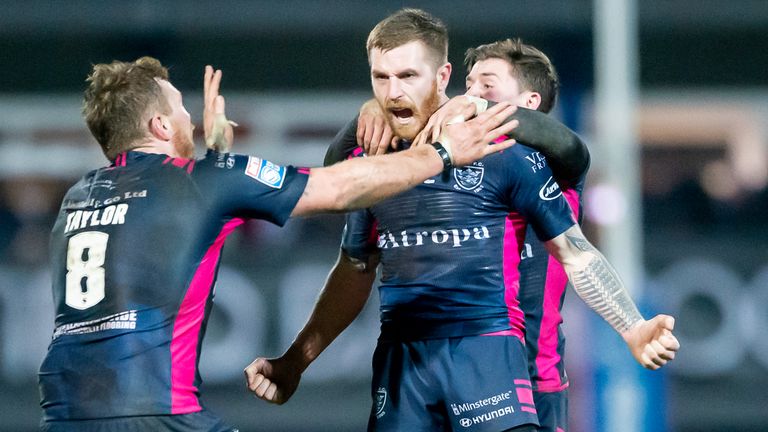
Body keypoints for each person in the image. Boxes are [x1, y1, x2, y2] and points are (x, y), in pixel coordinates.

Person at [245, 9, 679, 432]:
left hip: (511, 367)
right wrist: (296, 360)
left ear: (440, 77)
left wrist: (632, 325)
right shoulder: (374, 163)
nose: (394, 91)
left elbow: (576, 238)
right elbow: (353, 265)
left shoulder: (519, 154)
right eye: (382, 78)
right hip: (404, 367)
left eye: (408, 76)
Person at [36, 56, 518, 431]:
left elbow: (162, 229)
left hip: (61, 411)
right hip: (154, 411)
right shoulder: (207, 181)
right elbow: (342, 187)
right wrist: (445, 152)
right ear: (161, 127)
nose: (190, 117)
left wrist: (217, 157)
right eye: (181, 110)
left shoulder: (77, 198)